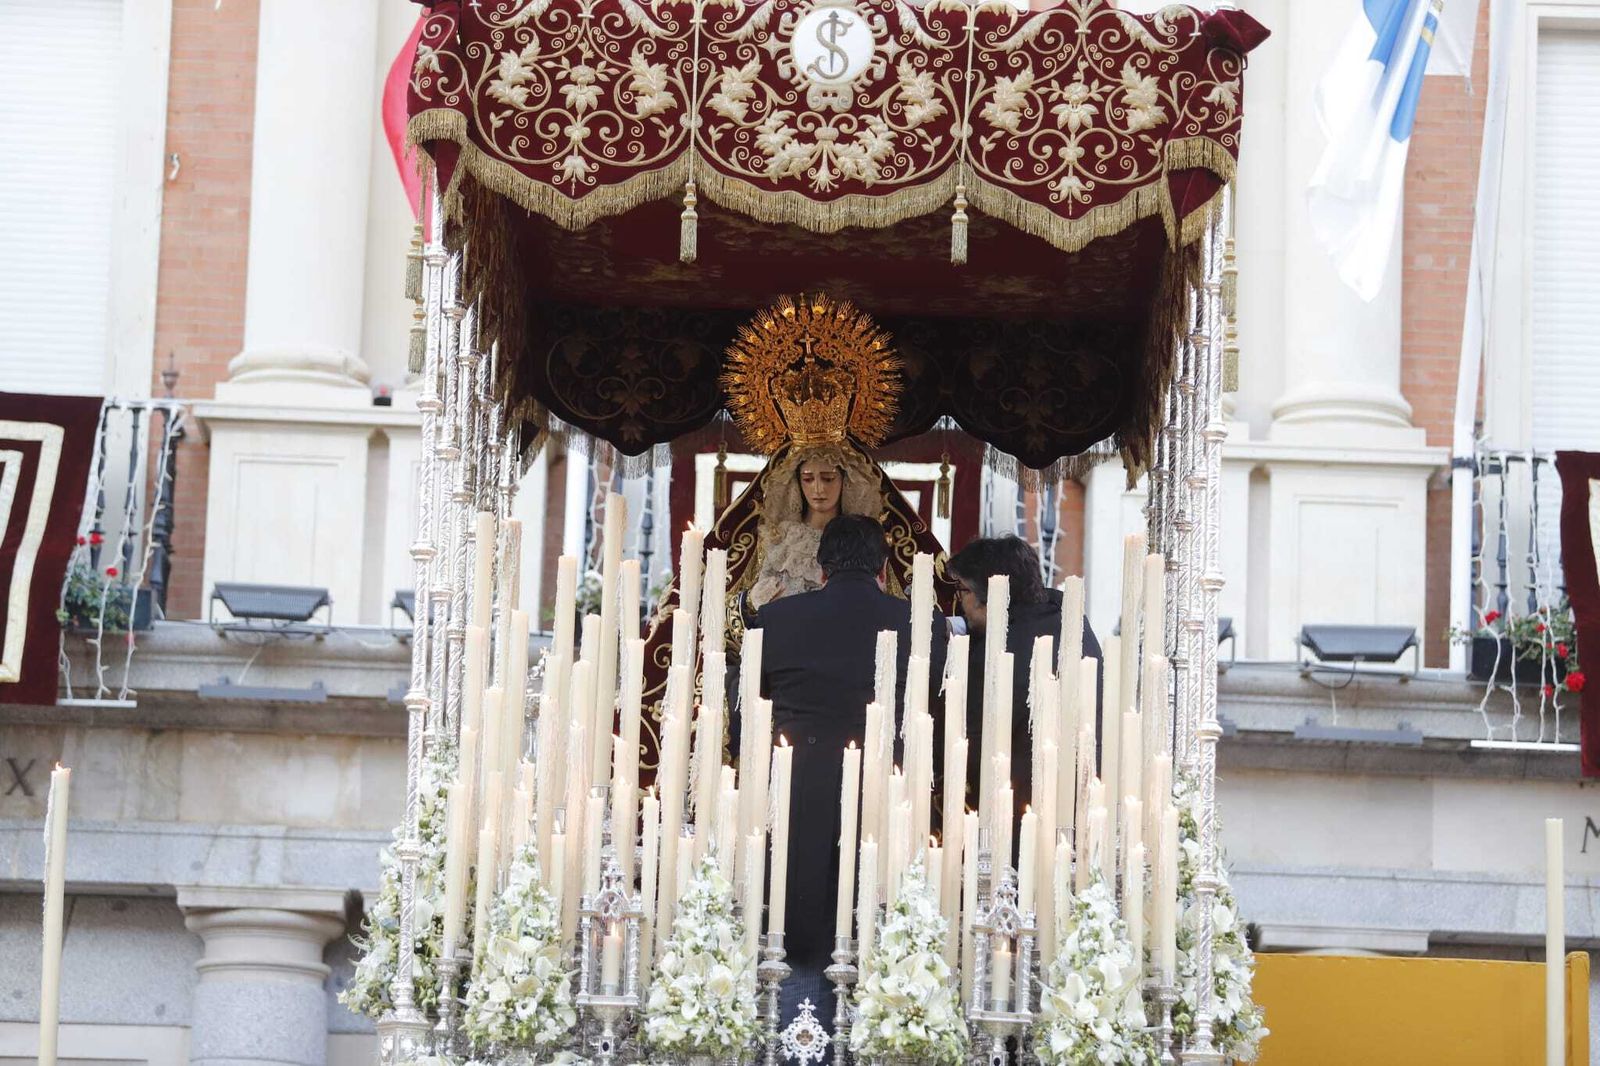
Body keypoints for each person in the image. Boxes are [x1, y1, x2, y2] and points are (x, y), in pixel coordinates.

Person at [758, 514, 949, 1032]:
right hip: (885, 786)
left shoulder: (775, 620)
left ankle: (794, 1025)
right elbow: (934, 708)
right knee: (876, 910)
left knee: (796, 912)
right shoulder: (922, 622)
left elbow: (749, 710)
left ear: (821, 569)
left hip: (796, 780)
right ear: (884, 569)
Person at [944, 535, 1102, 823]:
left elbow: (976, 743)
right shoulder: (1068, 619)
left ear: (992, 596)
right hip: (1084, 799)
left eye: (963, 591)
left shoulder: (999, 653)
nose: (960, 602)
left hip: (1021, 811)